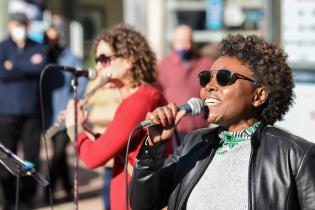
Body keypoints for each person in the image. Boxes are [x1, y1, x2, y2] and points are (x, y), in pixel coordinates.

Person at [130, 34, 315, 209]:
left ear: (258, 95)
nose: (209, 86)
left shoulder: (296, 155)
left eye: (224, 78)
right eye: (206, 78)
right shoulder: (193, 144)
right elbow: (143, 204)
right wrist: (153, 149)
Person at [63, 24, 170, 210]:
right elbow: (113, 148)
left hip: (136, 202)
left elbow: (93, 158)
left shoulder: (140, 101)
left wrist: (74, 128)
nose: (97, 66)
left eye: (104, 59)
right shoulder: (140, 97)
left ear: (128, 60)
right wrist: (82, 126)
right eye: (97, 60)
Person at [0, 12, 47, 210]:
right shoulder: (2, 47)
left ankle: (27, 198)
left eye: (23, 24)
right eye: (16, 24)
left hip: (31, 112)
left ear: (27, 26)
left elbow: (40, 68)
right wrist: (27, 64)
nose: (19, 28)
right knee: (6, 158)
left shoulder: (37, 46)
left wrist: (14, 66)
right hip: (6, 112)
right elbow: (2, 71)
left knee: (31, 157)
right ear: (10, 25)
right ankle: (10, 199)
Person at [42, 26, 87, 201]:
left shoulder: (70, 58)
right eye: (49, 39)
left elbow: (82, 81)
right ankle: (68, 187)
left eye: (55, 38)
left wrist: (74, 100)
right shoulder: (43, 58)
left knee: (58, 153)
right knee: (58, 154)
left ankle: (49, 191)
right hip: (47, 114)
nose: (52, 43)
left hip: (64, 115)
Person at [158, 24, 214, 145]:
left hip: (201, 129)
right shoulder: (164, 65)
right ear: (173, 43)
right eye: (181, 41)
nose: (185, 46)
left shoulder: (206, 63)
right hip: (175, 130)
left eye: (189, 41)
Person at [84, 73, 122, 210]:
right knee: (108, 182)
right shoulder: (96, 80)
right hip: (102, 137)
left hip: (120, 138)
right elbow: (90, 97)